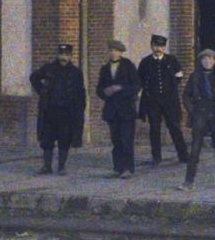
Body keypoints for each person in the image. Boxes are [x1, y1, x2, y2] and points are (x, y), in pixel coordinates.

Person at [28, 42, 86, 175]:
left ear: (70, 56)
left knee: (64, 139)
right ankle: (46, 166)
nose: (63, 58)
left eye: (66, 55)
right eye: (61, 54)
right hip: (50, 110)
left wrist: (79, 110)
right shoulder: (49, 69)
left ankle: (61, 167)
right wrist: (42, 91)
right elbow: (33, 77)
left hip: (66, 112)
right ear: (57, 55)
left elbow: (80, 93)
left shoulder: (76, 73)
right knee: (47, 139)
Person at [136, 34, 189, 168]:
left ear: (164, 47)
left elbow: (179, 76)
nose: (158, 48)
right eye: (155, 45)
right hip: (153, 101)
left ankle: (183, 155)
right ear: (151, 46)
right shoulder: (145, 62)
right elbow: (140, 79)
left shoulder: (172, 60)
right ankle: (156, 157)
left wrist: (169, 89)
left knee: (174, 127)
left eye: (160, 46)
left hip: (169, 100)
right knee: (154, 128)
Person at [182, 45, 215, 189]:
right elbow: (186, 96)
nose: (207, 61)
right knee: (195, 148)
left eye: (210, 59)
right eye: (204, 59)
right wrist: (192, 111)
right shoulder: (195, 76)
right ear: (201, 61)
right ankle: (188, 181)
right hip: (200, 112)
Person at [96, 39, 141, 178]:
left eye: (116, 51)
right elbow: (99, 89)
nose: (113, 53)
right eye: (111, 50)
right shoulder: (104, 69)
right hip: (112, 109)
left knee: (127, 139)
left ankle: (127, 168)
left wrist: (120, 87)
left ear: (121, 52)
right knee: (116, 140)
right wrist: (105, 92)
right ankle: (117, 166)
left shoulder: (128, 66)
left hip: (126, 109)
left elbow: (136, 86)